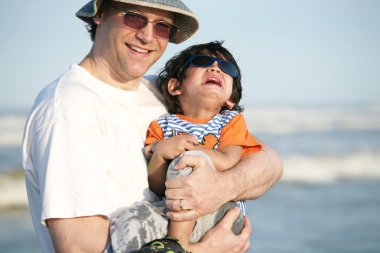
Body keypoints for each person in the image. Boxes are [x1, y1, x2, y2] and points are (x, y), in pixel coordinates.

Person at [22, 0, 283, 253]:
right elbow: (78, 247)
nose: (147, 36)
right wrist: (202, 250)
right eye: (134, 16)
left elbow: (270, 163)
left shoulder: (161, 90)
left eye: (162, 26)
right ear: (99, 13)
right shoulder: (68, 108)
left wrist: (220, 188)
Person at [143, 41, 263, 252]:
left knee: (193, 163)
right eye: (203, 61)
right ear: (175, 86)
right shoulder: (162, 125)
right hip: (174, 212)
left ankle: (175, 244)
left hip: (220, 216)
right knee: (129, 218)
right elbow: (157, 187)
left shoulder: (229, 121)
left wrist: (189, 150)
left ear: (230, 99)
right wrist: (161, 153)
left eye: (227, 69)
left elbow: (228, 159)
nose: (216, 68)